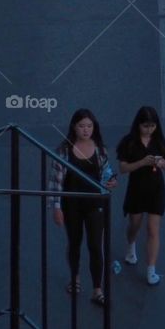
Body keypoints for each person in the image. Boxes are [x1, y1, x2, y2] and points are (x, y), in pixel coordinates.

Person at [50, 108, 117, 304]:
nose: (86, 130)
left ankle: (97, 289)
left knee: (95, 245)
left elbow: (107, 173)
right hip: (71, 205)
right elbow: (55, 182)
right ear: (74, 127)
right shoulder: (64, 150)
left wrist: (111, 182)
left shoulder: (99, 149)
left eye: (89, 126)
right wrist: (56, 207)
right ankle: (75, 278)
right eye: (82, 126)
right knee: (74, 243)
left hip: (95, 204)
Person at [117, 106, 165, 286]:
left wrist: (161, 163)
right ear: (138, 125)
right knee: (135, 224)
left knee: (153, 229)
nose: (149, 130)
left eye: (152, 126)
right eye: (145, 126)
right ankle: (131, 246)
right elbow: (123, 168)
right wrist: (141, 162)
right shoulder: (129, 142)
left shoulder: (158, 139)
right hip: (137, 189)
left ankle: (151, 270)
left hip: (156, 188)